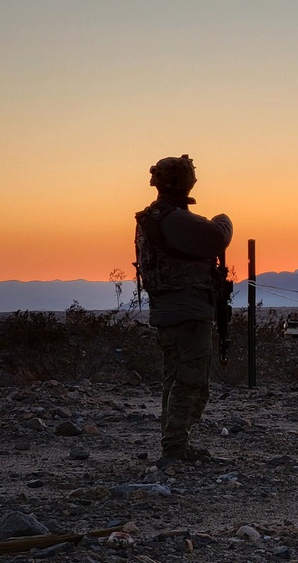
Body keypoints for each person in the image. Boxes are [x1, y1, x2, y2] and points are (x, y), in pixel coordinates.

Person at [134, 154, 233, 466]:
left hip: (170, 310)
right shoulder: (172, 219)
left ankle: (176, 443)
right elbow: (216, 237)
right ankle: (175, 447)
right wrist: (224, 218)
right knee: (190, 381)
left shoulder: (156, 217)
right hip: (187, 311)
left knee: (176, 378)